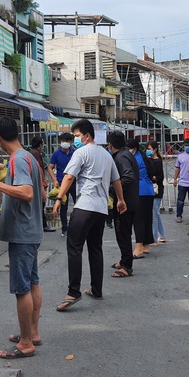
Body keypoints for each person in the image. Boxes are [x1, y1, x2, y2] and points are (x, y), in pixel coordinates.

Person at [52, 120, 126, 310]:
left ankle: (73, 292)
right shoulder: (107, 155)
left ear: (86, 135)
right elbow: (116, 179)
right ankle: (96, 289)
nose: (75, 139)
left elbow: (69, 177)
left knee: (74, 247)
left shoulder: (81, 152)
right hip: (100, 209)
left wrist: (59, 199)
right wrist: (120, 200)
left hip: (85, 205)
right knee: (95, 248)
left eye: (76, 136)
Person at [0, 117, 44, 359]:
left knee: (22, 289)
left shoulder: (19, 159)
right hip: (31, 230)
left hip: (22, 233)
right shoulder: (26, 156)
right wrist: (1, 174)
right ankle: (32, 333)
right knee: (32, 283)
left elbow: (27, 193)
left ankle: (25, 343)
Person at [107, 131, 139, 278]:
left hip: (124, 203)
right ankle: (124, 260)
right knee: (123, 233)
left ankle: (127, 266)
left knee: (123, 234)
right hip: (129, 201)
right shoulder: (125, 154)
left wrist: (113, 190)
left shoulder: (121, 157)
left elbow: (128, 178)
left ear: (110, 145)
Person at [126, 139, 154, 258]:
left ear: (134, 148)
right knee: (147, 219)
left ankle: (138, 247)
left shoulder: (134, 159)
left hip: (139, 191)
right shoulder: (142, 156)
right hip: (148, 191)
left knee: (138, 220)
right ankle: (146, 245)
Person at [48, 132, 77, 236]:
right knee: (63, 206)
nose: (65, 143)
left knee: (78, 204)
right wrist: (54, 180)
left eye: (67, 141)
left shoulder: (75, 153)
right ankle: (65, 228)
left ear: (71, 142)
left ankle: (77, 226)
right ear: (60, 142)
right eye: (63, 141)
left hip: (74, 182)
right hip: (61, 182)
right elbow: (50, 167)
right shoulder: (56, 154)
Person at [29, 136, 56, 232]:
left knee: (39, 204)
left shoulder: (33, 153)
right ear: (40, 144)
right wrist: (43, 181)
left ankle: (39, 224)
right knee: (41, 203)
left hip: (36, 182)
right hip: (38, 182)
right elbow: (39, 168)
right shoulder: (35, 154)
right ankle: (43, 225)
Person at [147, 140, 166, 243]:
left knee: (154, 214)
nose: (148, 151)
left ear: (154, 150)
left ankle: (154, 238)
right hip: (150, 189)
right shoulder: (148, 160)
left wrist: (152, 177)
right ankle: (162, 235)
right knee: (156, 213)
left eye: (149, 149)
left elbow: (159, 177)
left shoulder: (158, 161)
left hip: (156, 190)